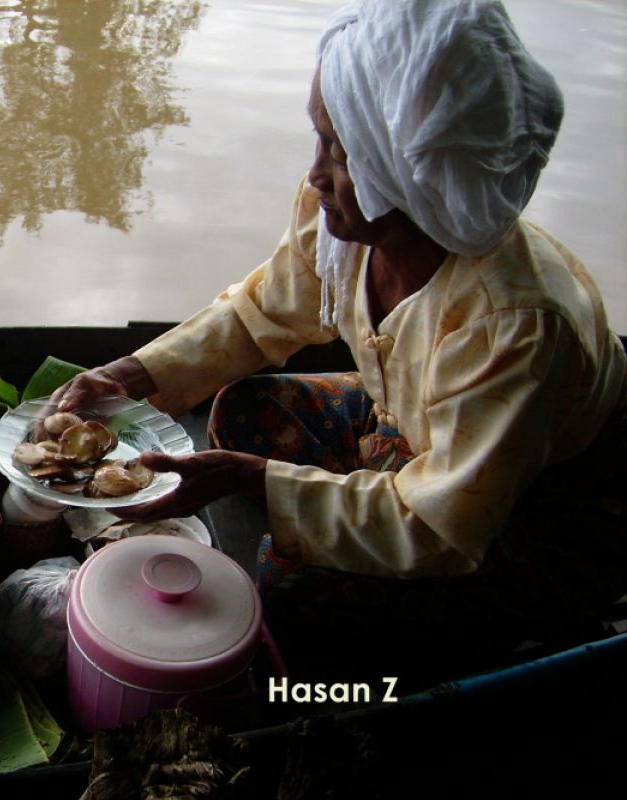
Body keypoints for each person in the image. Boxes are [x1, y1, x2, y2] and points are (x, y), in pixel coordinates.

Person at [51, 0, 627, 687]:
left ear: (407, 168)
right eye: (320, 137)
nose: (316, 172)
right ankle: (326, 523)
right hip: (412, 434)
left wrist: (255, 482)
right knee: (241, 412)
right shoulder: (346, 221)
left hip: (526, 507)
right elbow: (263, 312)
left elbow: (441, 525)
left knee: (298, 620)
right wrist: (130, 376)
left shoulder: (514, 323)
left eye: (341, 149)